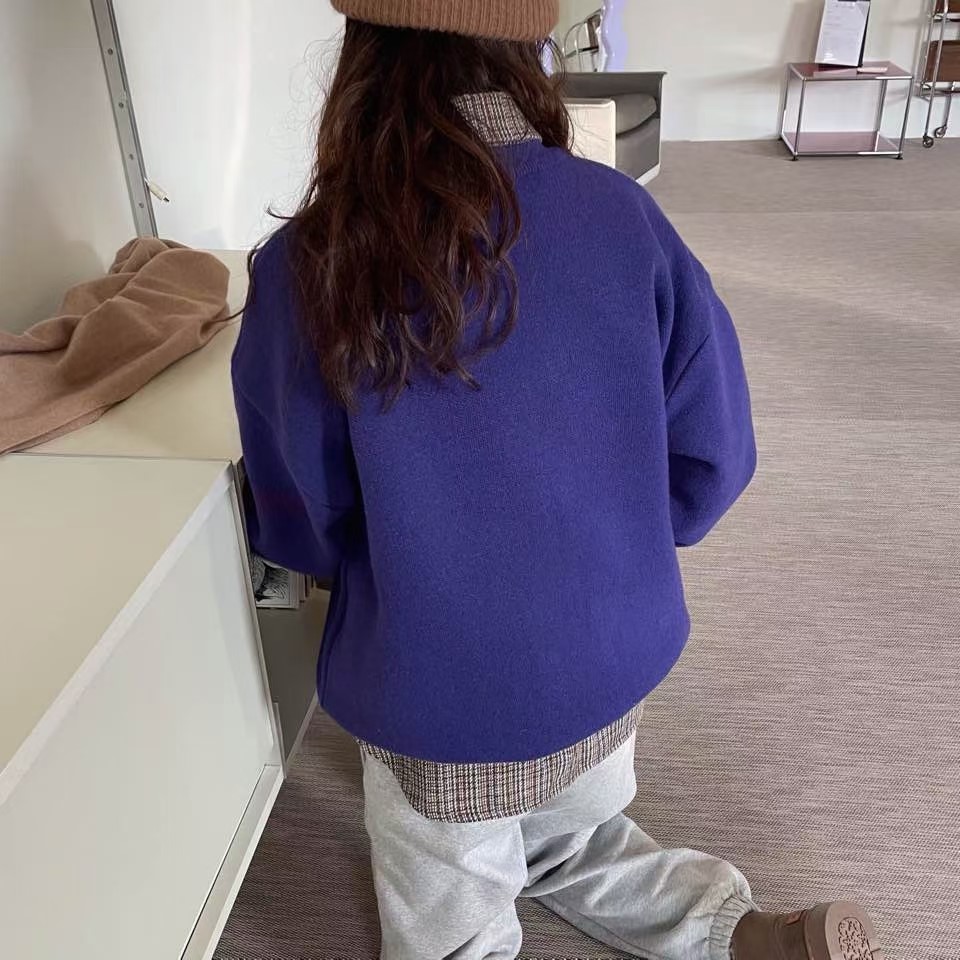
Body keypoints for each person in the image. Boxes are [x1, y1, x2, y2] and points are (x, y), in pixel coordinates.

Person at [231, 3, 881, 959]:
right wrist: (611, 532)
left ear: (361, 55)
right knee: (576, 838)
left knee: (456, 917)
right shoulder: (622, 215)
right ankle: (730, 931)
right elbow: (715, 456)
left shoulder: (314, 263)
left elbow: (301, 517)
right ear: (526, 49)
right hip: (613, 662)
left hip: (442, 694)